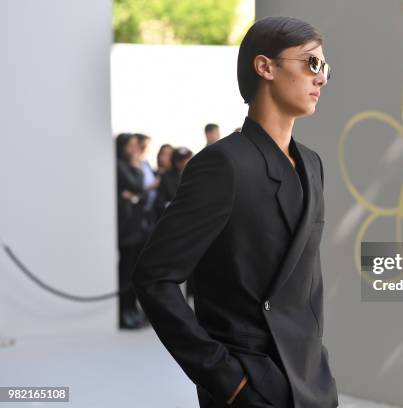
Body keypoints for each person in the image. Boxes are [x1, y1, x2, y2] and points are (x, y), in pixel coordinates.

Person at [132, 16, 336, 408]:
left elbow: (306, 285)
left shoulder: (312, 164)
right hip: (249, 384)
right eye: (312, 63)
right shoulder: (222, 164)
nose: (321, 77)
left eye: (325, 67)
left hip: (312, 381)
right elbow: (154, 277)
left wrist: (318, 364)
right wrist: (225, 378)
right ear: (265, 67)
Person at [115, 133, 149, 330]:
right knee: (126, 273)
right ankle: (125, 313)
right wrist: (137, 166)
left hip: (137, 229)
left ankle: (132, 310)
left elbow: (141, 195)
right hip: (127, 230)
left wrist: (134, 196)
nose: (136, 149)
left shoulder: (128, 165)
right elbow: (138, 186)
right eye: (132, 145)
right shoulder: (121, 165)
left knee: (133, 273)